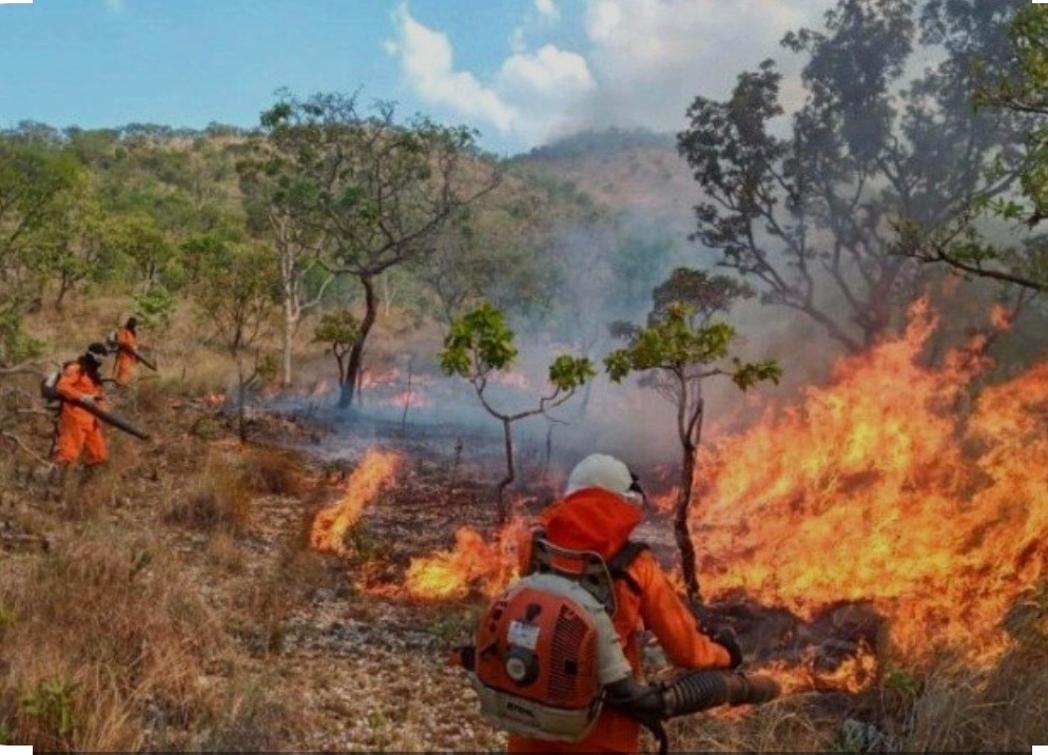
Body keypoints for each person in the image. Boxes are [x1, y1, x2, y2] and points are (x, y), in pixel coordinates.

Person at [508, 453, 743, 754]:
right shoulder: (636, 566)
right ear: (622, 504)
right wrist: (726, 655)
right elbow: (688, 651)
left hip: (530, 727)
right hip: (602, 733)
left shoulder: (534, 548)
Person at [52, 343, 109, 470]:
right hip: (74, 417)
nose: (101, 363)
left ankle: (79, 476)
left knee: (99, 456)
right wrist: (82, 397)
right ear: (92, 356)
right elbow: (62, 386)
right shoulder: (76, 369)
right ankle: (54, 483)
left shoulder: (94, 376)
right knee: (67, 454)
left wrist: (104, 411)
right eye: (100, 359)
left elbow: (98, 397)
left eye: (103, 360)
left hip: (92, 421)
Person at [113, 316, 140, 387]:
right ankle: (120, 386)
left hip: (132, 356)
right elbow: (121, 341)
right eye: (133, 324)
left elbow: (135, 343)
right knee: (123, 371)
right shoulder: (123, 330)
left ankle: (128, 386)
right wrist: (130, 346)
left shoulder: (133, 333)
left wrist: (136, 352)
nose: (134, 326)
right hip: (124, 354)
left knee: (131, 372)